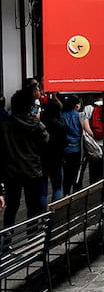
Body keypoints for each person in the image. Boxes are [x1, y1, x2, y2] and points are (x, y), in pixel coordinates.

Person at [1, 88, 50, 226]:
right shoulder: (36, 125)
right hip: (32, 170)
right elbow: (46, 140)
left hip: (11, 172)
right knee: (33, 206)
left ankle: (7, 240)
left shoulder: (5, 125)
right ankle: (32, 236)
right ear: (29, 106)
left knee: (11, 206)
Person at [41, 96, 68, 201]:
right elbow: (65, 143)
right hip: (57, 159)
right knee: (57, 187)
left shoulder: (42, 124)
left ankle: (42, 215)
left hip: (43, 158)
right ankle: (54, 213)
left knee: (43, 190)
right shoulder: (60, 125)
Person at [61, 95, 85, 195]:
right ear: (76, 105)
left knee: (66, 172)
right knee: (76, 171)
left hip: (65, 148)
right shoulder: (79, 115)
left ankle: (66, 192)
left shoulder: (62, 115)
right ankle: (76, 192)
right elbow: (82, 131)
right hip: (77, 148)